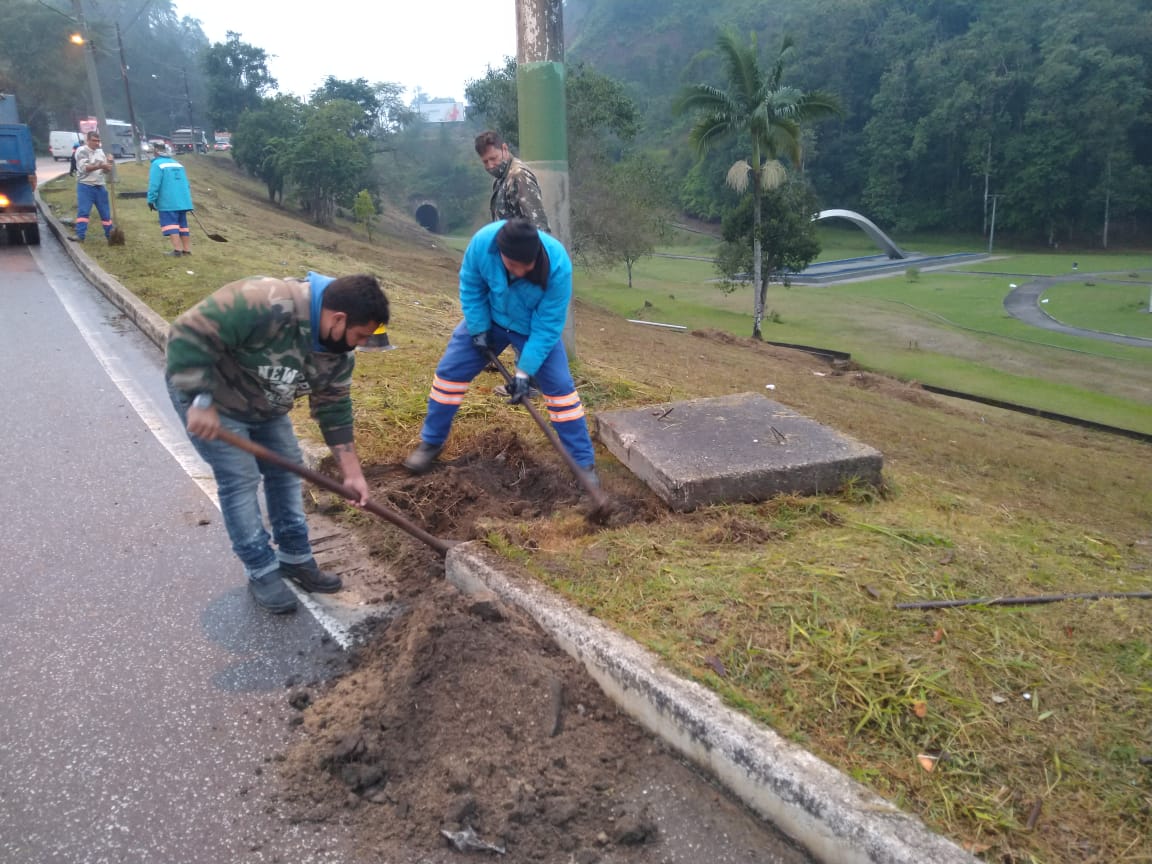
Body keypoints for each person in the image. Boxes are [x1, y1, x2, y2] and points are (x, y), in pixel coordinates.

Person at [166, 272, 390, 614]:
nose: (357, 345)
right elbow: (186, 332)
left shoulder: (338, 353)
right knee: (240, 479)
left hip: (266, 403)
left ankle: (295, 558)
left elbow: (334, 407)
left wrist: (352, 473)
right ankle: (261, 568)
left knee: (288, 470)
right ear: (338, 318)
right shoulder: (263, 301)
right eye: (358, 336)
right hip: (214, 401)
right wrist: (199, 399)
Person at [403, 219, 597, 488]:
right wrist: (479, 328)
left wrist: (523, 372)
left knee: (561, 392)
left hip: (532, 328)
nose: (520, 272)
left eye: (526, 266)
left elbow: (549, 324)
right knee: (449, 375)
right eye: (513, 265)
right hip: (490, 319)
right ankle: (431, 443)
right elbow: (471, 287)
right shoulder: (483, 243)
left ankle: (583, 463)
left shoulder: (558, 265)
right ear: (502, 253)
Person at [475, 130, 550, 232]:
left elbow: (538, 227)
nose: (490, 165)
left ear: (504, 149)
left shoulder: (518, 176)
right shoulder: (500, 180)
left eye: (493, 158)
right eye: (485, 162)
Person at [146, 143, 194, 257]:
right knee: (183, 226)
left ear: (156, 152)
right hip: (183, 201)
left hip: (168, 201)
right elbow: (186, 184)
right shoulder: (177, 164)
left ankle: (177, 251)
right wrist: (187, 201)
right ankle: (187, 250)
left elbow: (154, 184)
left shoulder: (157, 164)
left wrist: (151, 200)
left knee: (171, 225)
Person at [71, 130, 114, 243]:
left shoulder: (100, 152)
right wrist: (101, 165)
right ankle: (80, 235)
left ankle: (110, 236)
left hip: (100, 185)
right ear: (88, 140)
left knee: (105, 213)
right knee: (84, 212)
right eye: (94, 141)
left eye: (98, 141)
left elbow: (105, 171)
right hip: (85, 185)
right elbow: (85, 168)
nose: (97, 143)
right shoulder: (82, 151)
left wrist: (109, 164)